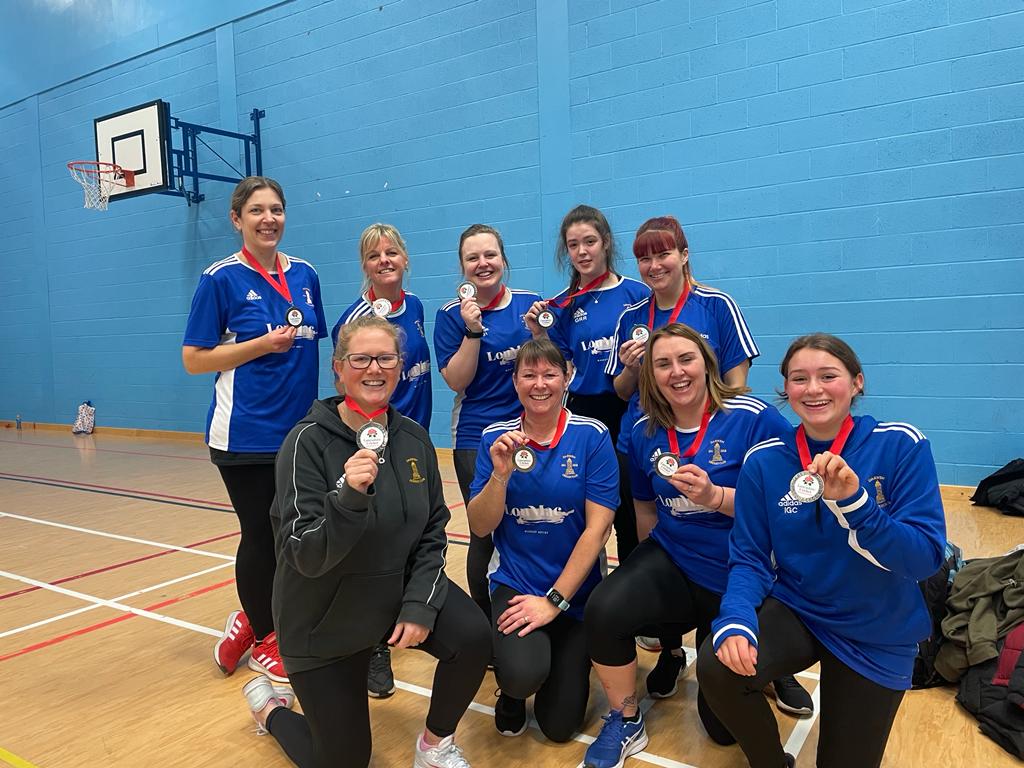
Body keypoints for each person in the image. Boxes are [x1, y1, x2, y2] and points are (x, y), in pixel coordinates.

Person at [243, 316, 490, 768]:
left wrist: (419, 605)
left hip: (390, 595)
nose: (373, 368)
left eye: (386, 358)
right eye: (360, 358)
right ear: (338, 369)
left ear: (400, 367)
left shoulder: (413, 439)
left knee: (472, 636)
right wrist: (348, 499)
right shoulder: (305, 443)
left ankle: (434, 747)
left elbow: (434, 530)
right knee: (345, 761)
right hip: (322, 615)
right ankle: (271, 710)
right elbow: (303, 554)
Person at [698, 333, 947, 768]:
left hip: (875, 624)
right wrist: (735, 617)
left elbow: (925, 558)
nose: (813, 389)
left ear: (857, 383)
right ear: (786, 390)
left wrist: (856, 505)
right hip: (802, 609)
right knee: (718, 665)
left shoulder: (900, 445)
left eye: (827, 376)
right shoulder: (765, 460)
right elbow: (750, 556)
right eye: (799, 379)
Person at [602, 216, 812, 713]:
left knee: (752, 543)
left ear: (684, 254)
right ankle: (672, 651)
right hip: (651, 448)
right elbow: (619, 392)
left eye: (663, 254)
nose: (654, 265)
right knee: (649, 559)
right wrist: (635, 367)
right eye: (645, 258)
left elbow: (736, 386)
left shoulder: (715, 305)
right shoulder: (631, 313)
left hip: (718, 448)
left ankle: (771, 668)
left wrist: (713, 445)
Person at [581, 324, 792, 768]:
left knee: (721, 732)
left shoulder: (754, 417)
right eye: (662, 364)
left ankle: (772, 666)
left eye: (686, 359)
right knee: (605, 607)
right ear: (650, 375)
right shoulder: (643, 430)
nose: (676, 372)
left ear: (706, 364)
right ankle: (624, 717)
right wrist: (644, 577)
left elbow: (786, 501)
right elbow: (644, 506)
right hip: (675, 558)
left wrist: (717, 497)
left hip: (742, 570)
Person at [182, 176, 327, 683]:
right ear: (237, 219)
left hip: (300, 435)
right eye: (258, 210)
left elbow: (314, 349)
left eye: (278, 209)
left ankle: (251, 617)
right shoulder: (220, 279)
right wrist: (260, 346)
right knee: (262, 536)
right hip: (243, 434)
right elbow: (194, 360)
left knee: (293, 536)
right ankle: (269, 636)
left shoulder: (305, 274)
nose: (270, 219)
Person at [466, 339, 617, 742]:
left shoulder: (592, 436)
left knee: (559, 728)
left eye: (549, 374)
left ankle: (561, 656)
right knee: (521, 675)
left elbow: (597, 529)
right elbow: (480, 527)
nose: (539, 384)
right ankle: (512, 693)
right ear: (515, 381)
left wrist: (554, 601)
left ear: (566, 377)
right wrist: (500, 475)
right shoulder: (495, 438)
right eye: (528, 374)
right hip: (516, 585)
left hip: (574, 594)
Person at [331, 222, 432, 698]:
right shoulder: (354, 319)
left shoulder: (416, 308)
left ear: (406, 258)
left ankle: (413, 615)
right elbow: (348, 386)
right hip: (373, 443)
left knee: (414, 534)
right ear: (364, 266)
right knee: (374, 544)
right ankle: (373, 646)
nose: (385, 260)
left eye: (392, 252)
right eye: (374, 256)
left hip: (415, 442)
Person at [526, 205, 648, 564]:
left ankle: (632, 593)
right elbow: (560, 363)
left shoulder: (637, 294)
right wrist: (539, 333)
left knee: (628, 507)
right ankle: (584, 588)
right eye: (573, 244)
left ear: (606, 243)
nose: (582, 251)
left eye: (590, 242)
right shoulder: (563, 304)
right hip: (582, 411)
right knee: (582, 509)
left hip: (628, 408)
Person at [434, 223, 543, 620]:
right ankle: (484, 625)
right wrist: (473, 330)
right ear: (462, 268)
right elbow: (456, 380)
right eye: (472, 258)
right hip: (475, 436)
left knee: (531, 522)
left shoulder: (531, 303)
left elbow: (550, 366)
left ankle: (534, 607)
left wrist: (536, 334)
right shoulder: (450, 315)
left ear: (503, 259)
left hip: (531, 433)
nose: (483, 264)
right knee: (484, 532)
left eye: (490, 255)